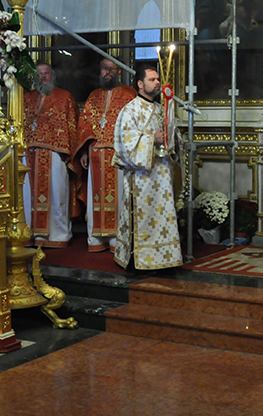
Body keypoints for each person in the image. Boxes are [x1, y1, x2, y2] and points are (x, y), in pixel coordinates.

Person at [112, 64, 183, 270]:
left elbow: (174, 139)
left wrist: (173, 140)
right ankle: (138, 260)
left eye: (158, 79)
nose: (158, 83)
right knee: (144, 220)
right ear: (140, 84)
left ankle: (164, 259)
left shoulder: (162, 109)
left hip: (162, 177)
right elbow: (125, 144)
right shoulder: (130, 110)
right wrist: (153, 139)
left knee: (163, 218)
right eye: (152, 80)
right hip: (142, 180)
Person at [73, 59, 138, 252]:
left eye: (111, 69)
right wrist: (84, 150)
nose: (107, 72)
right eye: (104, 68)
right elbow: (84, 124)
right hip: (95, 156)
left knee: (118, 198)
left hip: (118, 155)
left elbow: (135, 124)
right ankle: (96, 238)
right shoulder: (93, 96)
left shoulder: (129, 95)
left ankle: (117, 238)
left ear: (119, 71)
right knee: (96, 198)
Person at [24, 63, 79, 248]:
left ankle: (58, 234)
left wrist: (69, 153)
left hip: (55, 155)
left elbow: (71, 126)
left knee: (57, 193)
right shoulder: (25, 98)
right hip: (28, 154)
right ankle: (30, 232)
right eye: (39, 74)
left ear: (52, 75)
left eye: (47, 73)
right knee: (27, 196)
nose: (43, 77)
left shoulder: (64, 97)